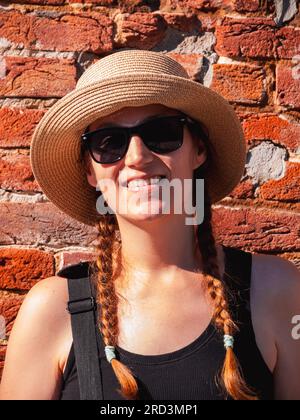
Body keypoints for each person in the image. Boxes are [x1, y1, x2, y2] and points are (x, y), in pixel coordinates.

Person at [0, 49, 299, 401]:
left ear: (198, 150)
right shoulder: (51, 311)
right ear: (89, 171)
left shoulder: (278, 291)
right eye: (109, 143)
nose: (137, 157)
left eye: (162, 132)